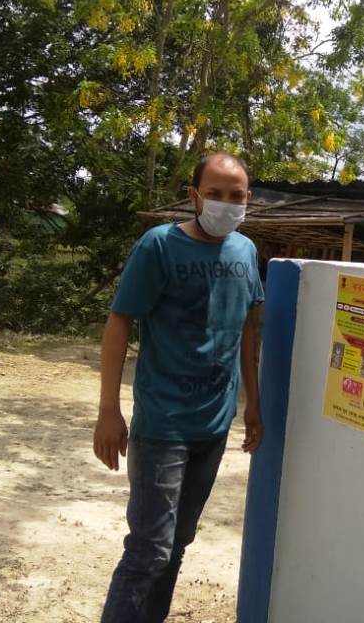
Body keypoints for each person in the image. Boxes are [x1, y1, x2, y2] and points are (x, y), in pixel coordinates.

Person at [93, 152, 265, 622]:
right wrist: (108, 410)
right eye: (215, 194)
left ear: (248, 199)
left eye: (236, 195)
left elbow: (248, 330)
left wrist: (253, 403)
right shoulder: (160, 245)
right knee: (149, 549)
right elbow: (120, 321)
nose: (226, 203)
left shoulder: (246, 251)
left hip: (214, 425)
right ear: (194, 196)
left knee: (178, 544)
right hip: (163, 424)